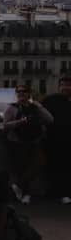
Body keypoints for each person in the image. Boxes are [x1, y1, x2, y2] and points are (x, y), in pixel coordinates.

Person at [2, 87, 53, 205]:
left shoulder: (35, 107)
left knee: (38, 164)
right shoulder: (12, 108)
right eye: (18, 92)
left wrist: (37, 104)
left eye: (24, 91)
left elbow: (49, 119)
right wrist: (20, 122)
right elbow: (5, 125)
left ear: (28, 94)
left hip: (34, 141)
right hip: (18, 142)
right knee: (22, 168)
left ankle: (18, 186)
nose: (21, 94)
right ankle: (26, 194)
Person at [42, 75, 71, 205]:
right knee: (53, 167)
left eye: (68, 85)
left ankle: (64, 193)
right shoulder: (50, 100)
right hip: (53, 139)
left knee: (65, 168)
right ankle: (54, 193)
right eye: (63, 85)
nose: (65, 87)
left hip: (66, 140)